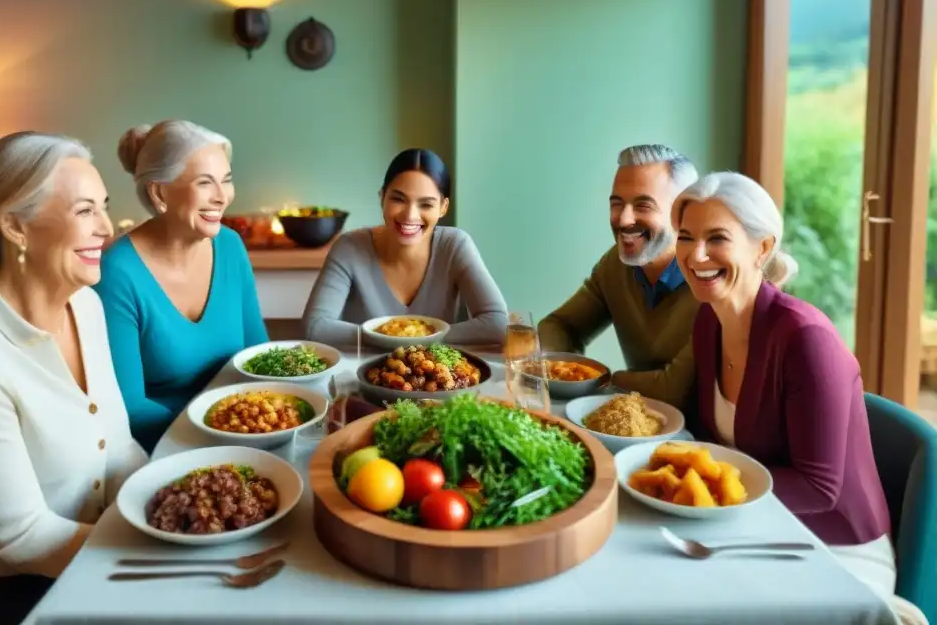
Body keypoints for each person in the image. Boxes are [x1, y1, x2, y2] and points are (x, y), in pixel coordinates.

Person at [0, 132, 148, 625]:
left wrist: (171, 504)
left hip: (74, 555)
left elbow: (121, 449)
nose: (106, 227)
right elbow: (19, 537)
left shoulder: (85, 304)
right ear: (16, 226)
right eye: (85, 211)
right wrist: (157, 553)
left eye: (103, 207)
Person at [674, 171, 926, 625]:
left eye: (717, 238)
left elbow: (819, 488)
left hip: (837, 549)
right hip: (760, 525)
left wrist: (705, 484)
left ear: (763, 248)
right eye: (686, 237)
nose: (696, 254)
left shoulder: (805, 339)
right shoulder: (708, 321)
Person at [94, 121, 268, 453]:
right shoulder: (116, 273)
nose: (222, 197)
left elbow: (258, 355)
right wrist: (225, 429)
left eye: (226, 181)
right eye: (205, 183)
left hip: (243, 433)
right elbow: (129, 407)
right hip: (162, 448)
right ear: (159, 193)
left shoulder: (230, 246)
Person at [537, 144, 700, 409]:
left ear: (684, 213)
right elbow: (559, 325)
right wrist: (564, 371)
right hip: (635, 424)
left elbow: (674, 390)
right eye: (617, 204)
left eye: (643, 205)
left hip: (701, 442)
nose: (624, 220)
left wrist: (600, 380)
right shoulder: (616, 264)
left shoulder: (710, 281)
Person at [303, 148, 508, 347]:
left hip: (443, 378)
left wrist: (415, 337)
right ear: (382, 197)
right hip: (360, 376)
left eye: (426, 204)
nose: (410, 215)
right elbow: (315, 326)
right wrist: (390, 336)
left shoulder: (455, 245)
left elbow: (497, 324)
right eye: (398, 199)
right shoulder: (349, 248)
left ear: (443, 207)